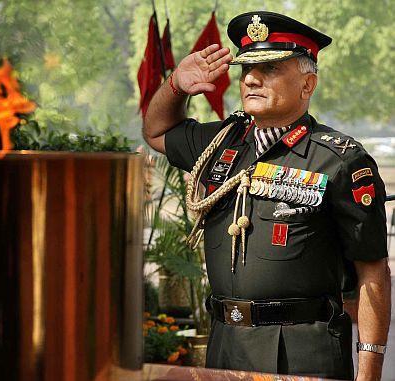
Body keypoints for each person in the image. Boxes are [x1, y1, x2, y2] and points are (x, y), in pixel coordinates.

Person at [143, 11, 391, 381]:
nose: (252, 79)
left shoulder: (339, 160)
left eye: (271, 69)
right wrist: (176, 85)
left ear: (308, 85)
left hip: (300, 349)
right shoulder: (221, 143)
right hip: (225, 343)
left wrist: (369, 372)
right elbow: (156, 131)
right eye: (246, 70)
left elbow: (372, 273)